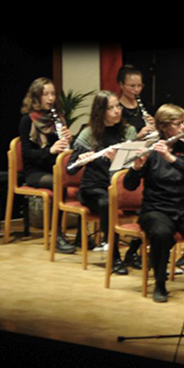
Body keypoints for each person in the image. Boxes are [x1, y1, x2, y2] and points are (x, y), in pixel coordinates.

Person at [123, 104, 184, 303]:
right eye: (178, 124)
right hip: (156, 210)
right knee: (161, 233)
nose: (183, 127)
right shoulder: (150, 151)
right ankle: (160, 283)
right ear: (164, 127)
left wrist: (170, 158)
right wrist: (136, 167)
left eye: (183, 123)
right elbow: (129, 185)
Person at [64, 91, 138, 266]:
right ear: (100, 112)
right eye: (110, 108)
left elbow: (134, 165)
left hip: (121, 188)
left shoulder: (129, 132)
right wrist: (82, 161)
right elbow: (70, 170)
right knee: (107, 203)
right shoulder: (88, 134)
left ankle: (133, 251)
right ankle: (113, 255)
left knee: (150, 204)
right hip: (94, 189)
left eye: (117, 106)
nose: (116, 111)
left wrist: (119, 160)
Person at [17, 77, 71, 190]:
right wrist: (50, 151)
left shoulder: (58, 118)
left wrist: (69, 141)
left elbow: (63, 148)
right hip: (35, 171)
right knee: (60, 184)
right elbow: (27, 154)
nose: (50, 98)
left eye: (53, 94)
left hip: (55, 167)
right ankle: (58, 208)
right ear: (36, 97)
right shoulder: (27, 120)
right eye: (45, 94)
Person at [116, 65, 156, 139]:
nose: (137, 90)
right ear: (121, 85)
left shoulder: (146, 105)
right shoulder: (117, 109)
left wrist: (155, 124)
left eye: (139, 86)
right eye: (132, 86)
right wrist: (138, 136)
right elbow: (117, 139)